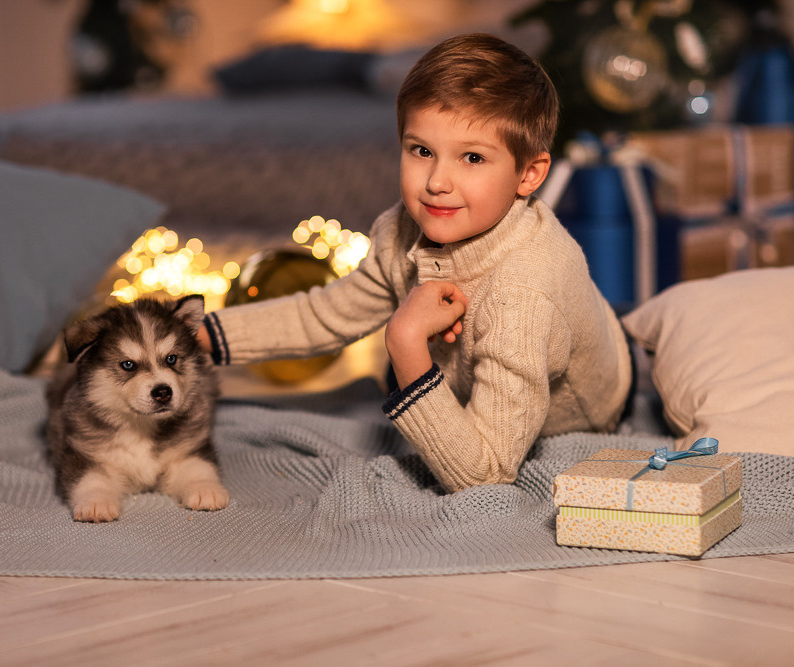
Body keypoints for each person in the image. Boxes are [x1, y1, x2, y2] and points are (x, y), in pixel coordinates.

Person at [198, 33, 633, 492]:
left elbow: (484, 476)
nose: (437, 182)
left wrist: (405, 340)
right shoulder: (402, 229)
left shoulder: (522, 295)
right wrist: (202, 334)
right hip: (462, 371)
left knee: (406, 371)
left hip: (583, 406)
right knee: (403, 373)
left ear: (529, 174)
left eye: (472, 158)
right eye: (421, 151)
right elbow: (326, 314)